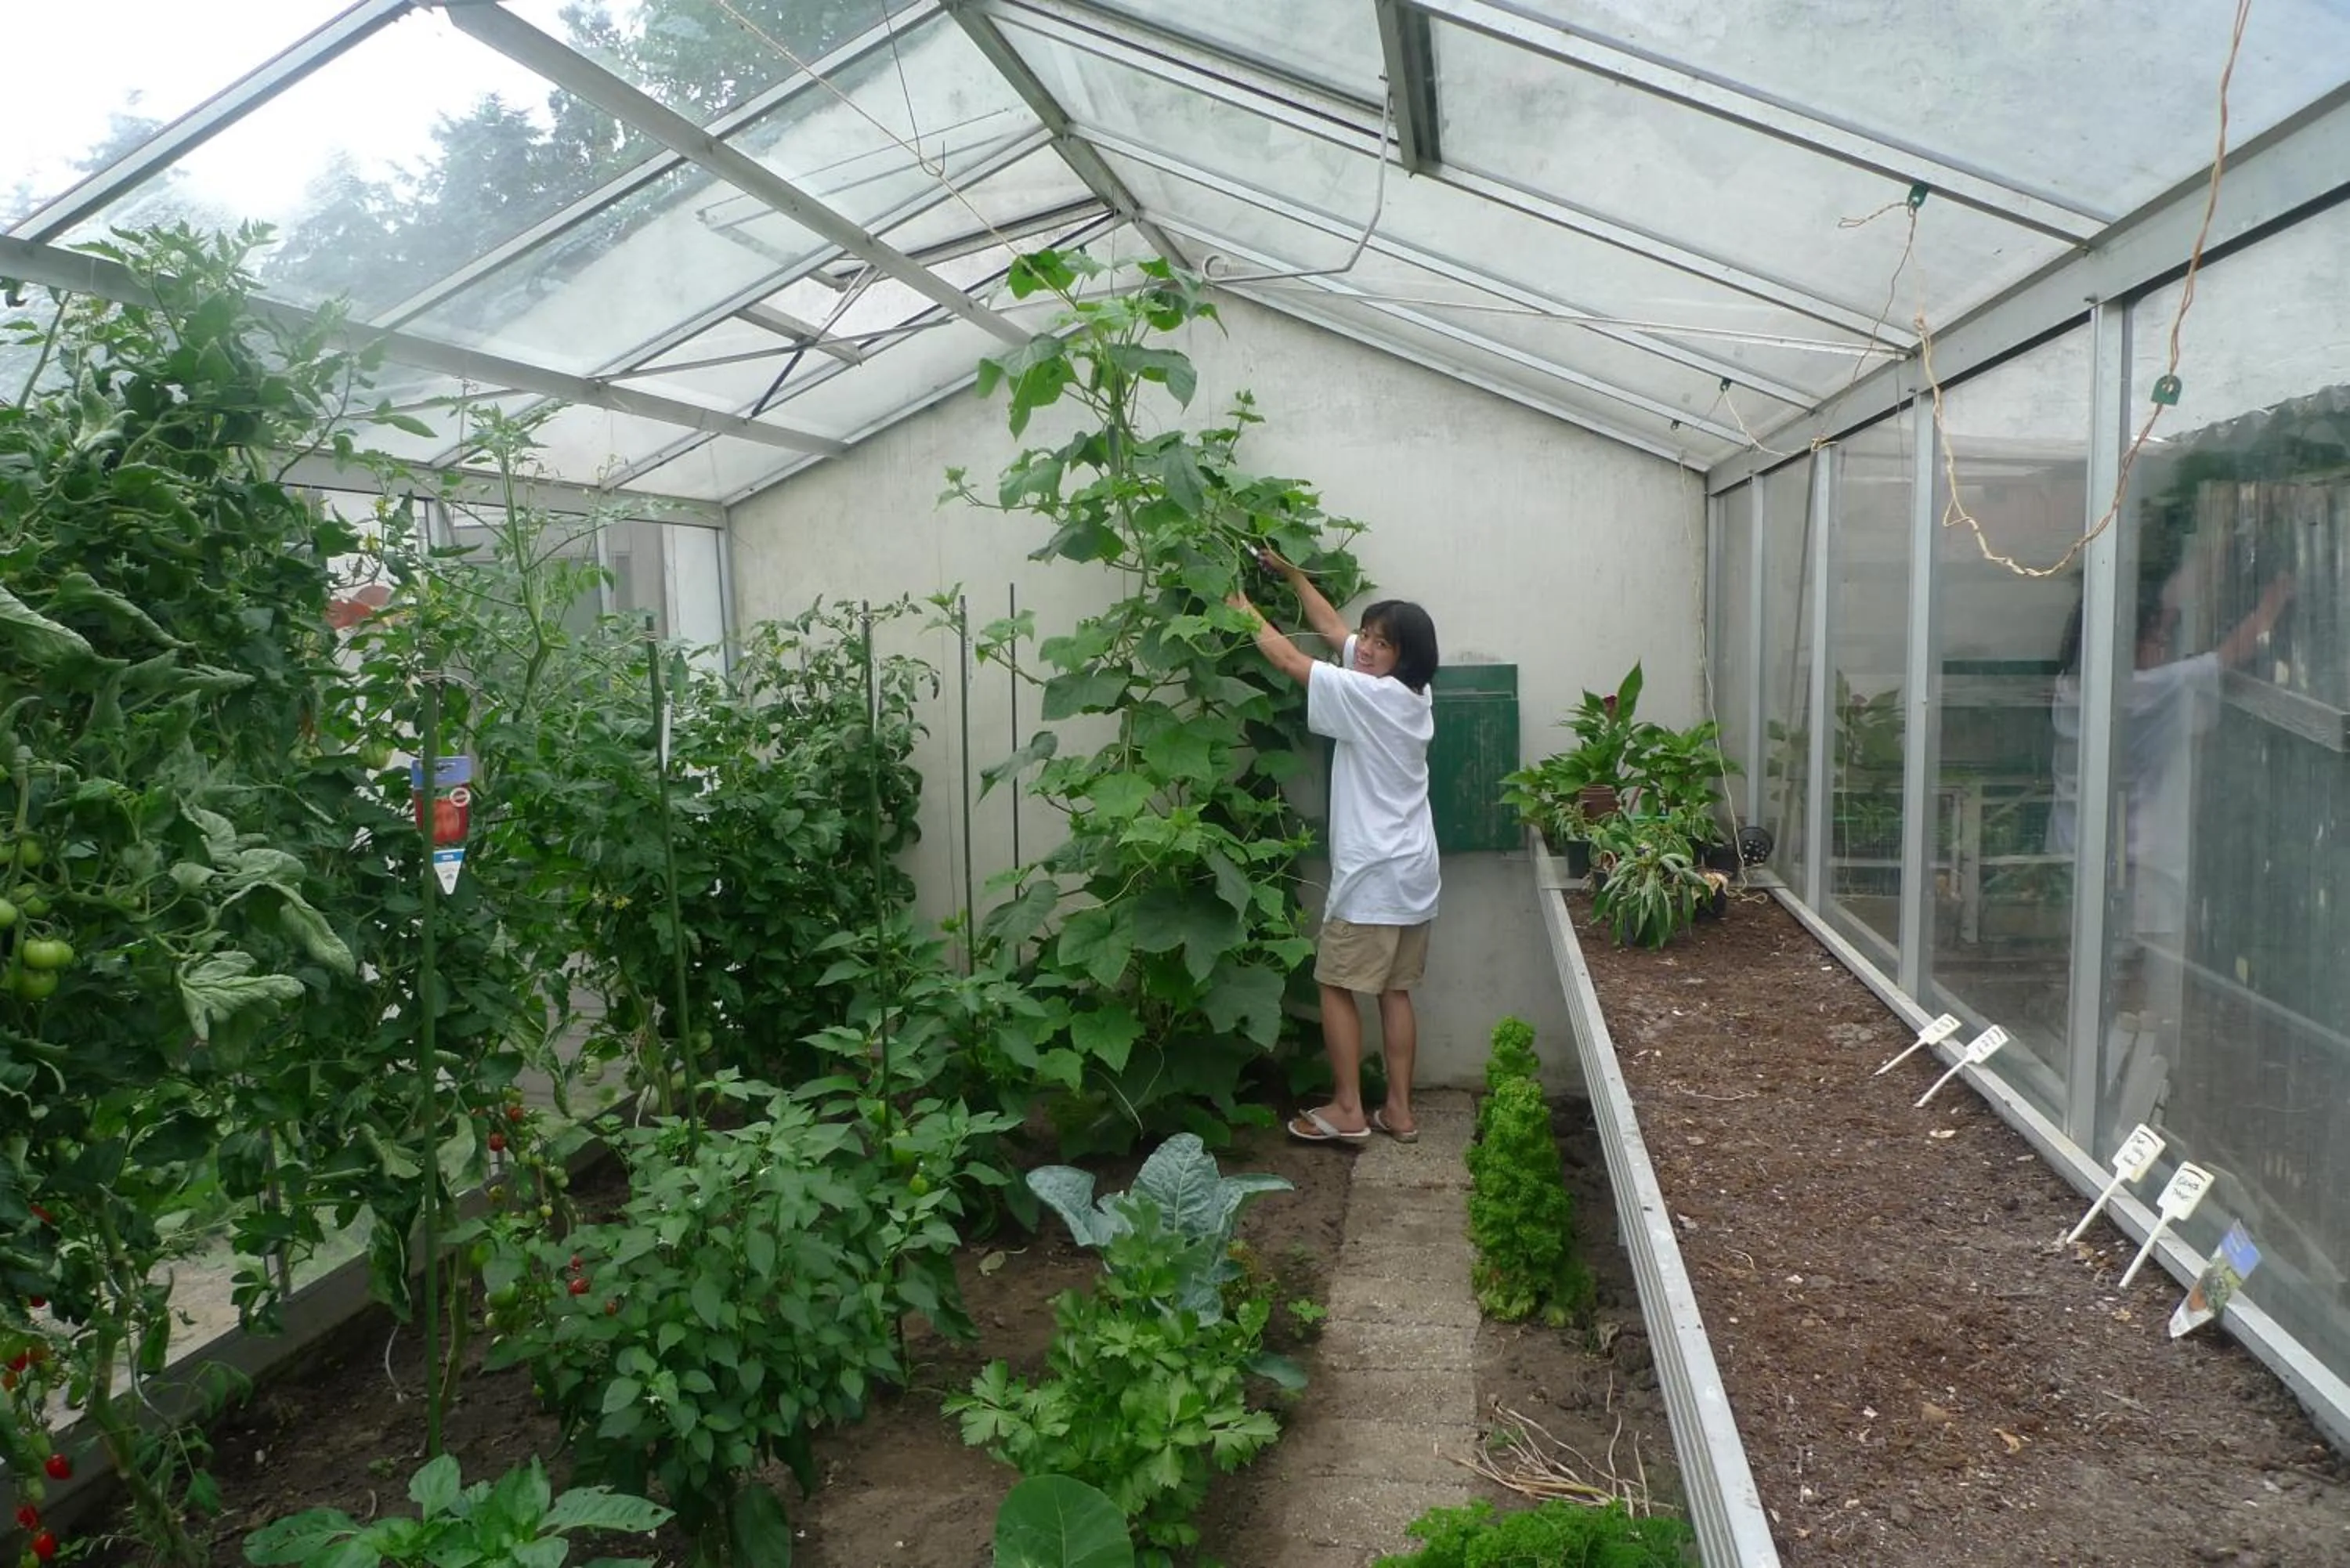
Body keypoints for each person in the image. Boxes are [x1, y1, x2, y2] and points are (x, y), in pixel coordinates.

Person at [1227, 550, 1441, 1146]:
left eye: (1381, 644)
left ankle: (1349, 1108)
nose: (1365, 648)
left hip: (1372, 873)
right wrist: (1293, 576)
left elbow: (1295, 658)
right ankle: (1398, 1111)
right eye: (1368, 636)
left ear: (1405, 659)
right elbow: (1329, 631)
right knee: (1394, 991)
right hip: (1413, 872)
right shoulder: (1413, 695)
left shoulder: (1369, 697)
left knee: (1336, 984)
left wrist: (1241, 610)